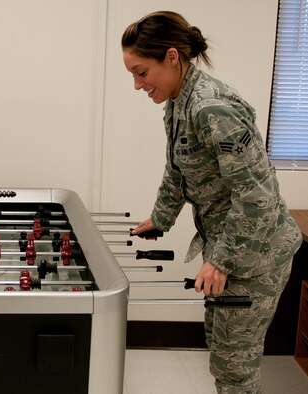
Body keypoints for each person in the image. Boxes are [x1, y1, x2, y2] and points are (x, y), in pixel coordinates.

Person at [122, 11, 302, 393]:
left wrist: (221, 260)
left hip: (255, 256)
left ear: (172, 58)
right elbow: (178, 168)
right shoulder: (177, 100)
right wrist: (161, 217)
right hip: (230, 246)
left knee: (235, 369)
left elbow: (258, 197)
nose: (138, 85)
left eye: (141, 72)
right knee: (222, 352)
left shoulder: (211, 108)